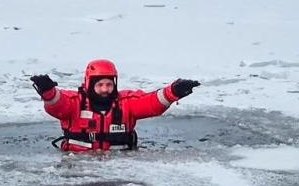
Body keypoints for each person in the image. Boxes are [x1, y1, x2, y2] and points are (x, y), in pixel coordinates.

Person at [31, 60, 199, 152]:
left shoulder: (127, 102)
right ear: (89, 84)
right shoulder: (75, 102)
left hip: (120, 163)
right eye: (100, 85)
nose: (105, 89)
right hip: (77, 164)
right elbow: (58, 105)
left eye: (109, 84)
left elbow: (151, 103)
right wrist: (48, 92)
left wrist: (173, 92)